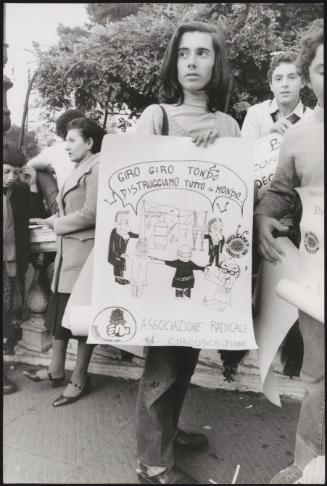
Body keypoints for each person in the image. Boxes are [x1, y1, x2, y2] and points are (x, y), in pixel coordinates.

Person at [135, 22, 240, 484]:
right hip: (163, 263)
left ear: (216, 64)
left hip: (203, 264)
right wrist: (182, 155)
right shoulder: (156, 116)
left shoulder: (230, 125)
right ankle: (152, 463)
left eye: (202, 53)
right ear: (173, 63)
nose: (193, 62)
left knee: (186, 362)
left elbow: (236, 196)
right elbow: (135, 187)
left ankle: (167, 434)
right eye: (184, 54)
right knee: (160, 367)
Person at [254, 20, 324, 484]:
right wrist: (264, 217)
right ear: (310, 76)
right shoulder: (300, 135)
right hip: (317, 274)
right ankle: (307, 465)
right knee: (318, 376)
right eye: (323, 67)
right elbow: (280, 192)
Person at [23, 117, 106, 407]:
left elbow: (92, 213)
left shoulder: (98, 167)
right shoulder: (81, 167)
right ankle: (56, 370)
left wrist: (56, 225)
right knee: (60, 317)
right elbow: (72, 209)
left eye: (72, 140)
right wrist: (50, 220)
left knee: (82, 321)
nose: (66, 145)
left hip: (84, 256)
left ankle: (79, 379)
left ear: (90, 143)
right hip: (70, 254)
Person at [3, 144, 46, 394]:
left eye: (16, 172)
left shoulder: (19, 189)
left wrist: (30, 186)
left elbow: (35, 215)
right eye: (6, 172)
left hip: (9, 263)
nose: (11, 178)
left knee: (7, 312)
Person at [241, 51, 311, 138]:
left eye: (292, 77)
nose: (285, 84)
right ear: (271, 85)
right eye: (278, 79)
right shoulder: (255, 114)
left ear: (303, 82)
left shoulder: (312, 119)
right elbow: (244, 150)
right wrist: (267, 137)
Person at [27, 109, 84, 190]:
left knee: (39, 171)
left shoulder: (56, 150)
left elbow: (29, 166)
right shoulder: (94, 146)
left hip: (65, 199)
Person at [108, 210, 139, 285]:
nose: (122, 225)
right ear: (116, 223)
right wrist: (119, 254)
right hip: (115, 254)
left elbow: (134, 235)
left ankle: (121, 277)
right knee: (119, 262)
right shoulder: (115, 232)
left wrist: (142, 236)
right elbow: (113, 246)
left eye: (126, 222)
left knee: (125, 262)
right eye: (120, 223)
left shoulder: (127, 231)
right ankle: (118, 278)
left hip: (124, 253)